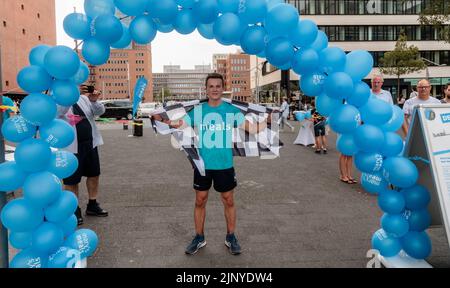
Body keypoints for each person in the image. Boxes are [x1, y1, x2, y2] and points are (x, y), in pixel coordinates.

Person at [152, 73, 272, 256]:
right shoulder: (198, 111)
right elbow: (180, 124)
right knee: (200, 200)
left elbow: (253, 129)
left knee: (228, 200)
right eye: (211, 86)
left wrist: (267, 121)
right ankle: (199, 237)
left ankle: (230, 237)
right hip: (202, 166)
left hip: (224, 165)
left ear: (222, 89)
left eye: (218, 86)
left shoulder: (231, 111)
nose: (215, 89)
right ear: (206, 89)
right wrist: (164, 120)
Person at [59, 85, 108, 225]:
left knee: (94, 174)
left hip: (90, 143)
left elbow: (100, 111)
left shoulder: (83, 99)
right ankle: (74, 210)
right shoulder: (57, 96)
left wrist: (94, 100)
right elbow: (58, 112)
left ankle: (92, 205)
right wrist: (71, 96)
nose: (81, 86)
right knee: (71, 180)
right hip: (70, 147)